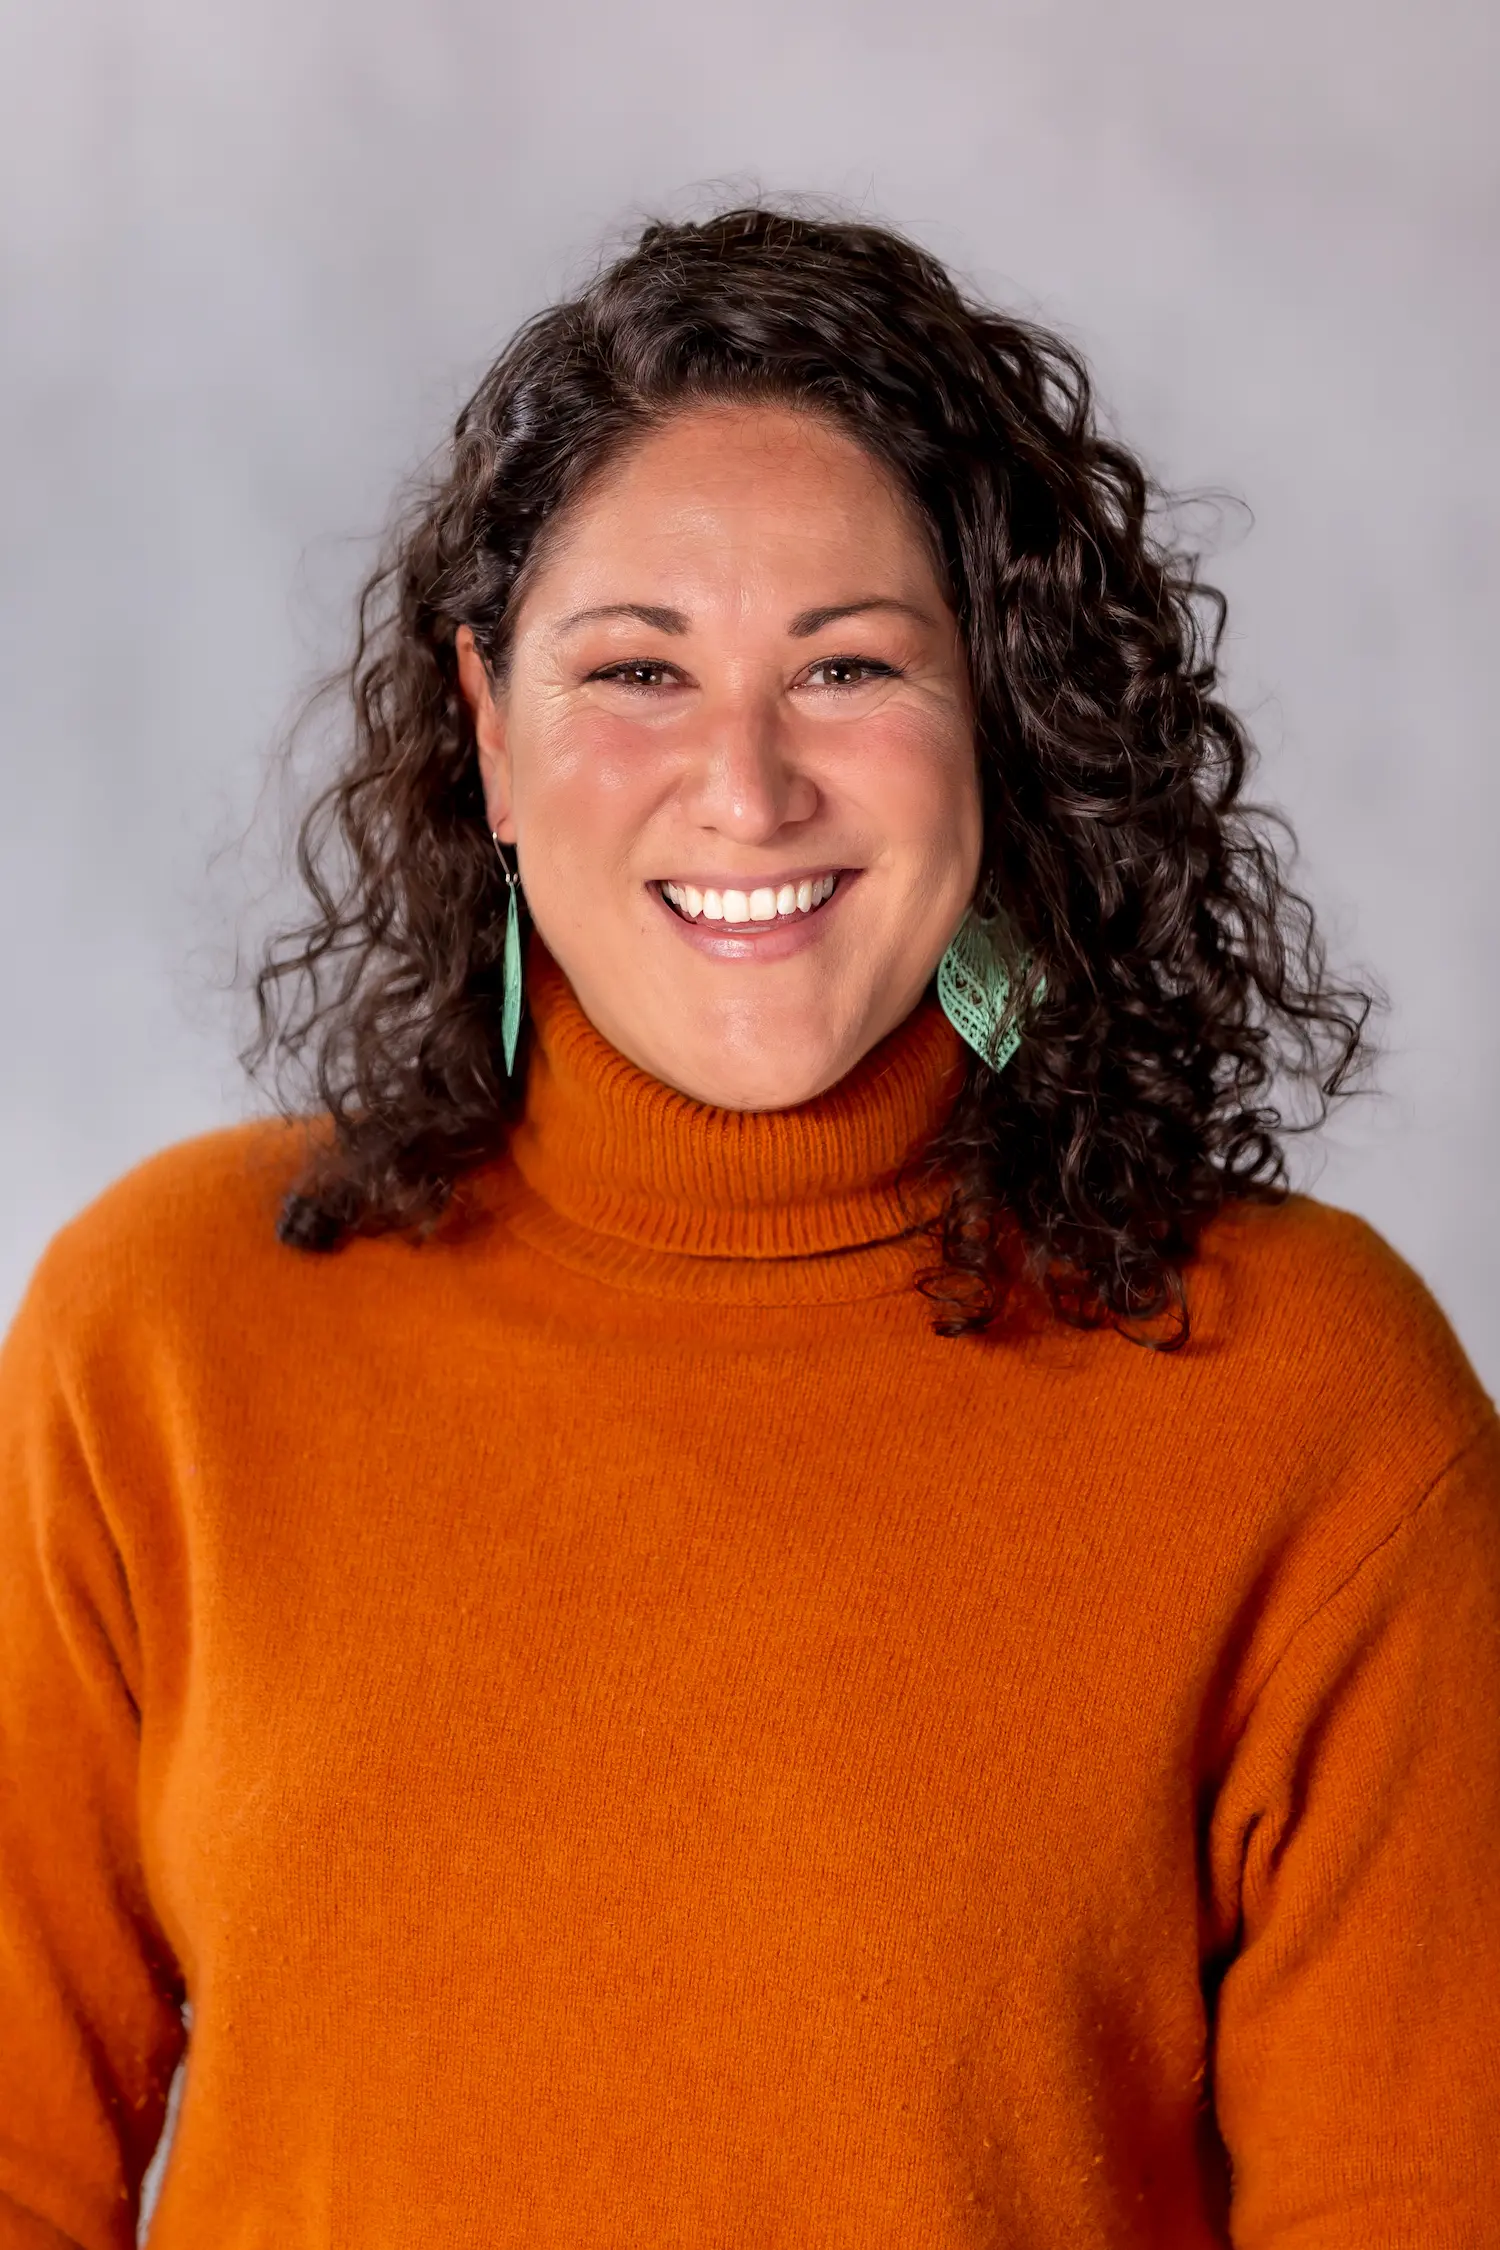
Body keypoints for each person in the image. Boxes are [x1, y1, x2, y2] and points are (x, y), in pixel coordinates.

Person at [1, 202, 1496, 2249]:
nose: (745, 784)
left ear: (1006, 721)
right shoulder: (160, 1339)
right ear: (490, 734)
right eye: (637, 670)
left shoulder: (1312, 1397)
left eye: (850, 667)